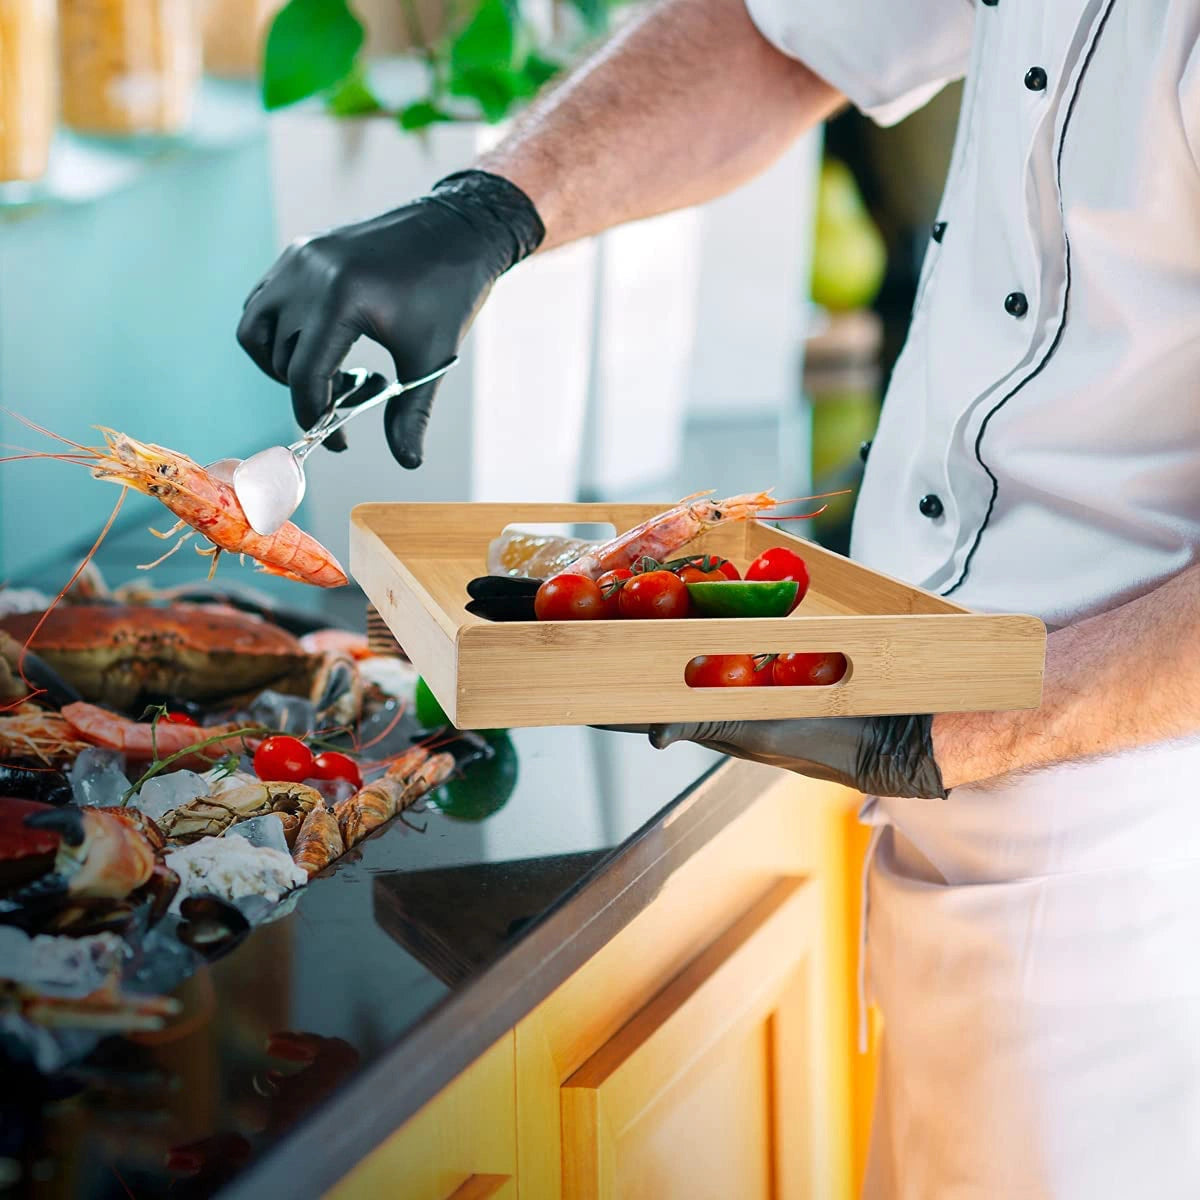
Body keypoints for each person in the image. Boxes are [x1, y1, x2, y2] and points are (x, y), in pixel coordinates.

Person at [238, 1, 1200, 1195]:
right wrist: (489, 205)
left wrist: (958, 727)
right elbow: (782, 29)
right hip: (943, 823)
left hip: (1143, 877)